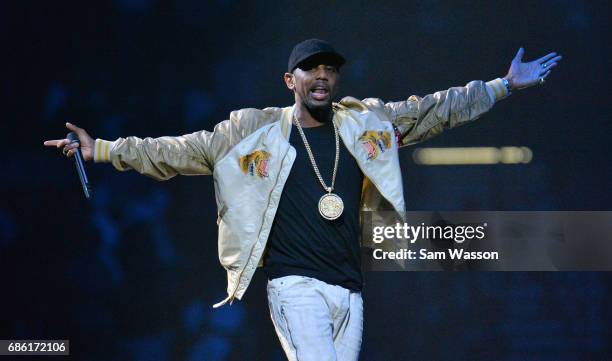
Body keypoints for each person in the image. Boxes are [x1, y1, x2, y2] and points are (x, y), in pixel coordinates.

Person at [44, 39, 562, 361]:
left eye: (329, 70)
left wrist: (502, 86)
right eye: (310, 69)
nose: (322, 77)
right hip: (294, 283)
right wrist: (106, 150)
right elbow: (184, 150)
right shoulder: (253, 130)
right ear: (291, 81)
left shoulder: (365, 123)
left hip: (349, 289)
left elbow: (432, 110)